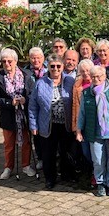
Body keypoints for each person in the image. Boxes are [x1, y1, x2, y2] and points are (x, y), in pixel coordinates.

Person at [75, 66, 109, 197]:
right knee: (98, 160)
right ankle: (100, 183)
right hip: (94, 133)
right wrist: (78, 131)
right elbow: (81, 114)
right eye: (93, 77)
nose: (96, 79)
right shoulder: (86, 93)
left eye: (99, 76)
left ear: (104, 77)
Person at [28, 54, 75, 189]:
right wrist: (33, 125)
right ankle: (50, 178)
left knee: (66, 151)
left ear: (62, 67)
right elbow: (33, 106)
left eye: (58, 66)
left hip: (65, 124)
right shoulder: (40, 83)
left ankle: (66, 174)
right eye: (52, 66)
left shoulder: (70, 82)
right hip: (47, 124)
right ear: (48, 67)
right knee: (49, 153)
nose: (55, 69)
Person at [0, 48, 36, 180]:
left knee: (26, 141)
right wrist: (9, 103)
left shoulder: (27, 75)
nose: (7, 64)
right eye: (4, 61)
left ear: (15, 61)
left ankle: (26, 165)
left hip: (24, 113)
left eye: (9, 61)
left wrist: (25, 100)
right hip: (8, 114)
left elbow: (33, 94)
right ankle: (8, 167)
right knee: (9, 143)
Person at [71, 59, 95, 171]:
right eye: (82, 71)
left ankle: (98, 175)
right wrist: (75, 127)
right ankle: (94, 171)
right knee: (86, 151)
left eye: (88, 70)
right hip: (83, 124)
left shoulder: (98, 82)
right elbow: (75, 107)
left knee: (97, 151)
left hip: (95, 124)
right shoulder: (77, 85)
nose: (85, 73)